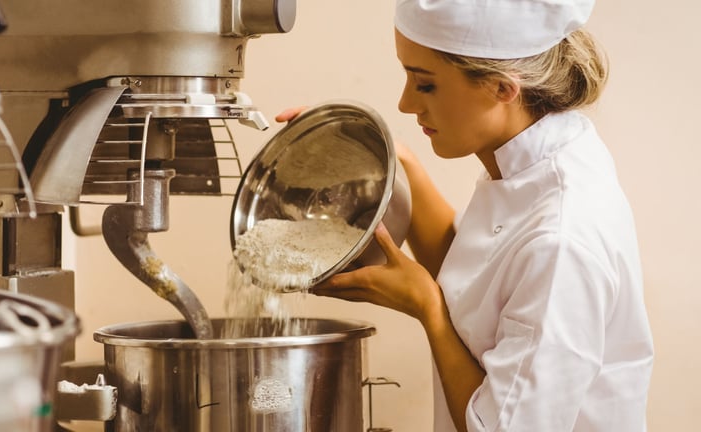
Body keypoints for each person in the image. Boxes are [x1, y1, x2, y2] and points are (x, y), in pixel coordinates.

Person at [276, 0, 654, 431]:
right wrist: (391, 158)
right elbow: (485, 285)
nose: (405, 103)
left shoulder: (563, 240)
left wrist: (427, 307)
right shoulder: (536, 152)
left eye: (425, 85)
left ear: (502, 88)